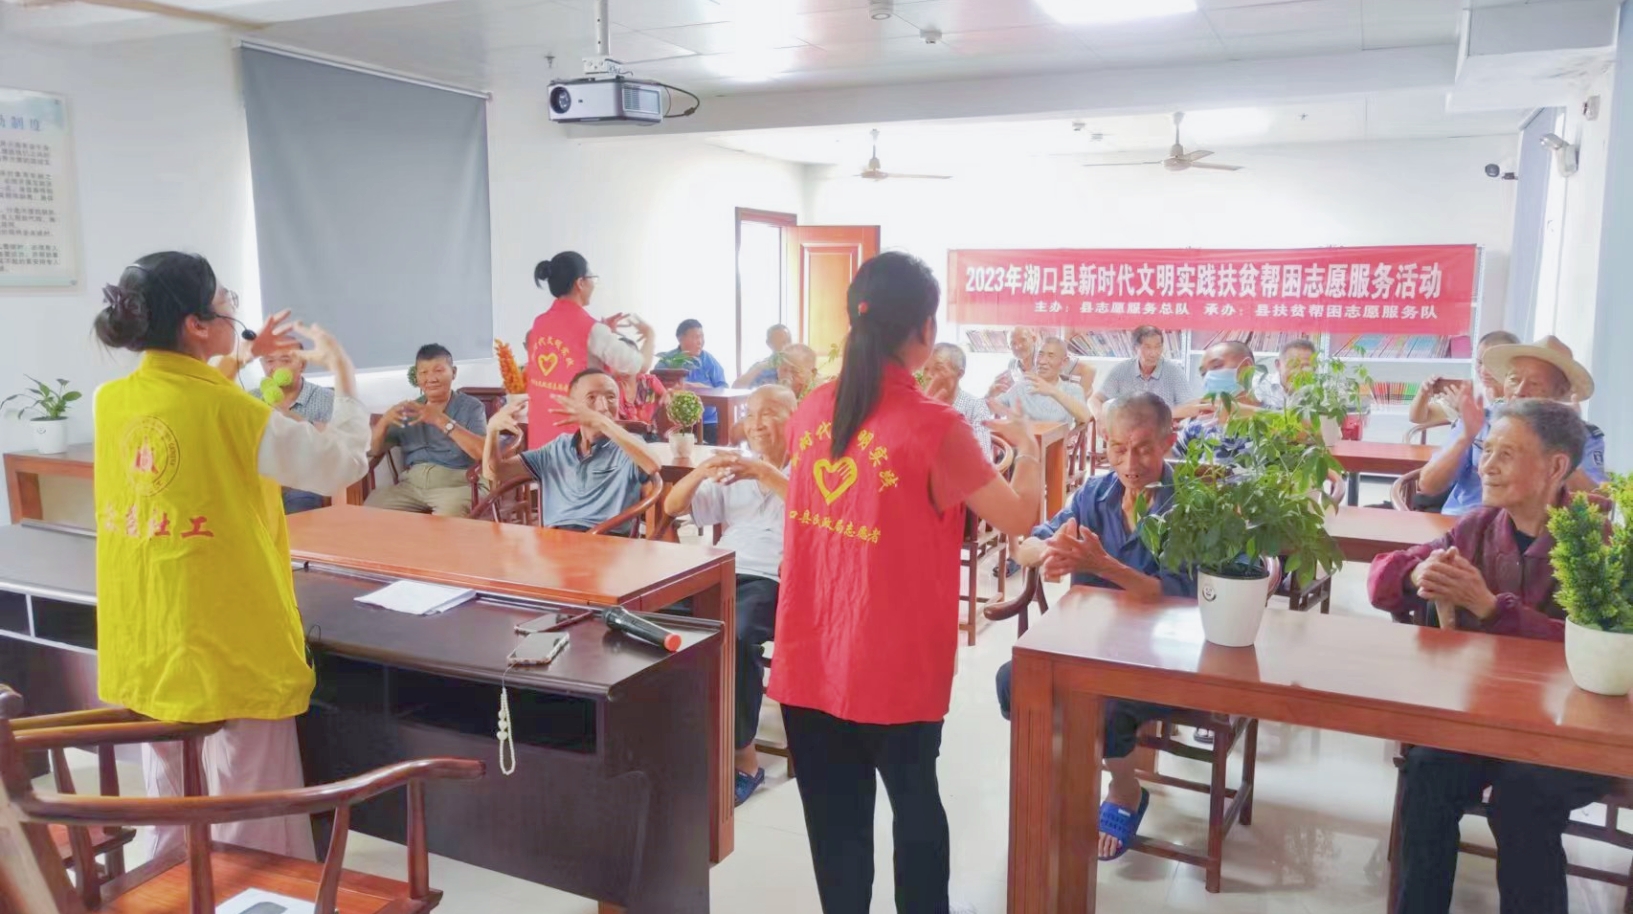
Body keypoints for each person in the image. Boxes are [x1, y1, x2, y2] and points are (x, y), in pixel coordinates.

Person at [769, 251, 1044, 914]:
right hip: (893, 665)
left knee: (834, 827)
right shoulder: (936, 426)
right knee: (915, 805)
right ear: (925, 330)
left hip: (808, 655)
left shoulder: (811, 409)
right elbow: (1019, 517)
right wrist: (1030, 451)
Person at [91, 251, 369, 860]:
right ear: (196, 325)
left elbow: (212, 395)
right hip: (228, 637)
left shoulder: (113, 400)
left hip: (148, 639)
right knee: (253, 809)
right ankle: (253, 892)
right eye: (226, 305)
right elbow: (341, 464)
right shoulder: (229, 408)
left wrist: (248, 358)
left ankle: (174, 887)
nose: (235, 316)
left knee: (171, 795)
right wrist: (344, 378)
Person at [1367, 399, 1610, 914]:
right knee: (1426, 772)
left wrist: (1490, 607)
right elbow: (1381, 579)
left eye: (1507, 454)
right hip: (1485, 720)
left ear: (1556, 467)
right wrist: (1415, 574)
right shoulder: (1477, 527)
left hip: (1575, 733)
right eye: (1487, 449)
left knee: (1523, 799)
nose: (1486, 466)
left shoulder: (1598, 542)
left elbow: (1597, 650)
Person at [993, 392, 1195, 859]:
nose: (1130, 464)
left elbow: (1178, 596)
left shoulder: (1188, 505)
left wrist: (1101, 565)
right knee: (1013, 680)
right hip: (1089, 641)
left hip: (1161, 650)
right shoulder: (1095, 494)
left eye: (1143, 449)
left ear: (1168, 443)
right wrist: (1051, 552)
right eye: (1118, 449)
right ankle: (1068, 771)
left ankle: (1124, 788)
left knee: (1107, 704)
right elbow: (1032, 542)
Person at [664, 386, 797, 805]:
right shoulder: (736, 469)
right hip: (719, 568)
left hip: (774, 578)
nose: (756, 424)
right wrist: (700, 472)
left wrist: (763, 473)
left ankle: (745, 761)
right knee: (648, 619)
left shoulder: (814, 469)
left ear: (795, 419)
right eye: (751, 414)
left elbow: (817, 514)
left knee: (735, 636)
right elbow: (671, 507)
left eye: (769, 413)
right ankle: (671, 737)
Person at [1415, 335, 1604, 516]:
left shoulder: (1581, 435)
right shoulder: (1480, 419)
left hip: (1539, 533)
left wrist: (1563, 442)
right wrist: (1466, 437)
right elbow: (1429, 485)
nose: (1520, 391)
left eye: (1534, 383)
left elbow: (1598, 505)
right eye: (1514, 379)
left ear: (1560, 392)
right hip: (1465, 522)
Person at [483, 368, 661, 534]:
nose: (602, 406)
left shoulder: (628, 445)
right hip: (555, 541)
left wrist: (603, 423)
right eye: (591, 397)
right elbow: (494, 472)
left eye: (611, 397)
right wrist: (492, 430)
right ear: (572, 404)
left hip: (606, 541)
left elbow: (653, 465)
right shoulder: (557, 448)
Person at [526, 251, 643, 448]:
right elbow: (634, 364)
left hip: (542, 430)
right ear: (580, 283)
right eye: (591, 278)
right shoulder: (590, 329)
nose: (593, 285)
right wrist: (650, 337)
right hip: (576, 437)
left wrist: (603, 332)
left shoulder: (540, 323)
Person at [364, 344, 489, 516]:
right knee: (371, 511)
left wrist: (439, 419)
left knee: (448, 518)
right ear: (416, 377)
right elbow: (374, 450)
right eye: (423, 372)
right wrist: (384, 421)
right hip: (411, 486)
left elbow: (483, 452)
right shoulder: (409, 409)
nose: (431, 378)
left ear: (453, 372)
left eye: (438, 370)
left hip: (459, 485)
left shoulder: (471, 407)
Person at [215, 340, 337, 514]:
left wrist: (286, 413)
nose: (276, 367)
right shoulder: (250, 399)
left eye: (285, 360)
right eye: (269, 361)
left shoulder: (328, 399)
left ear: (302, 364)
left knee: (299, 503)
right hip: (257, 483)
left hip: (302, 484)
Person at [1408, 330, 1520, 425]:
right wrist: (1423, 393)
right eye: (1479, 362)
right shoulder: (1472, 393)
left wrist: (1465, 413)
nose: (1483, 371)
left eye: (1491, 364)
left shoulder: (1520, 399)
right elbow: (1418, 418)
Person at [1172, 339, 1257, 460]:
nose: (1208, 377)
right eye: (1203, 374)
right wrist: (1166, 421)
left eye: (1216, 366)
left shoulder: (1278, 418)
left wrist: (1240, 412)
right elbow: (1168, 462)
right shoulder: (1199, 425)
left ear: (1246, 367)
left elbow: (1286, 431)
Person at [1090, 325, 1194, 420]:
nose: (1154, 353)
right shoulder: (1121, 370)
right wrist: (1099, 417)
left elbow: (1190, 406)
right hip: (1128, 429)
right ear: (1135, 348)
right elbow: (1095, 399)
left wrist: (1163, 415)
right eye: (1147, 347)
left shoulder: (1173, 371)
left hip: (1161, 429)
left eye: (1158, 346)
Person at [661, 319, 729, 443]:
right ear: (680, 339)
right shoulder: (668, 361)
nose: (700, 341)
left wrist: (703, 388)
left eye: (702, 337)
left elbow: (723, 388)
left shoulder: (708, 359)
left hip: (708, 421)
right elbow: (657, 386)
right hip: (676, 421)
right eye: (695, 337)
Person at [999, 337, 1091, 425]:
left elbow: (1085, 417)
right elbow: (992, 407)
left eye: (1051, 356)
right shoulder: (1021, 387)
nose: (1042, 361)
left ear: (1064, 362)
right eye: (1040, 355)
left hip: (1058, 436)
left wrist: (1052, 391)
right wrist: (991, 392)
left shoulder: (1072, 389)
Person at [924, 342, 992, 453]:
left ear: (959, 374)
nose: (928, 376)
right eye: (926, 369)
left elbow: (983, 455)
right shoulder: (920, 406)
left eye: (938, 369)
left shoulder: (976, 407)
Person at [1252, 338, 1318, 411]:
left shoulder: (1320, 394)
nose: (1298, 372)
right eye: (1293, 365)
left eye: (1305, 366)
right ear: (1278, 365)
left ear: (1314, 368)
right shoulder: (1256, 386)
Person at [735, 323, 793, 388]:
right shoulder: (760, 367)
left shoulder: (798, 366)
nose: (787, 346)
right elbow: (736, 388)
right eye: (782, 342)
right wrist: (759, 368)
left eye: (788, 341)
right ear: (769, 343)